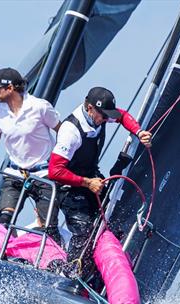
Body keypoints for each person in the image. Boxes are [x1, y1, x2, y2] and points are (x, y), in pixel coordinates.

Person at [47, 86, 152, 267]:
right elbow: (54, 171)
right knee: (85, 230)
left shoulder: (100, 115)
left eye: (107, 116)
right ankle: (71, 271)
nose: (106, 119)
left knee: (110, 222)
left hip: (91, 179)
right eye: (103, 116)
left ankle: (96, 271)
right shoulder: (70, 131)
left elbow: (122, 115)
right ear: (90, 108)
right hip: (69, 187)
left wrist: (139, 132)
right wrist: (86, 183)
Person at [0, 67, 61, 226]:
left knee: (48, 225)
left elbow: (62, 131)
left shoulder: (39, 107)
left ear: (10, 88)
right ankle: (2, 249)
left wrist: (63, 160)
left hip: (43, 172)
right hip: (15, 172)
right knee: (3, 220)